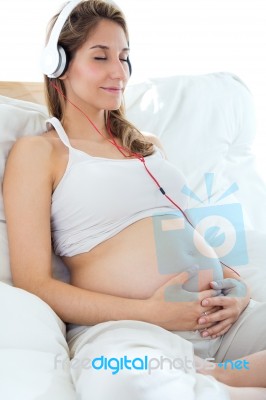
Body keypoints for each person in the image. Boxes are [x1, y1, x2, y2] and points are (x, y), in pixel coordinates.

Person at [3, 0, 266, 398]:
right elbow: (34, 282)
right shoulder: (40, 153)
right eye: (100, 56)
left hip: (221, 318)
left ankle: (218, 376)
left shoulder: (150, 148)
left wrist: (240, 292)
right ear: (59, 65)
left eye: (124, 58)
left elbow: (203, 241)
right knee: (123, 378)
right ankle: (211, 376)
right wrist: (150, 312)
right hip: (132, 328)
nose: (118, 72)